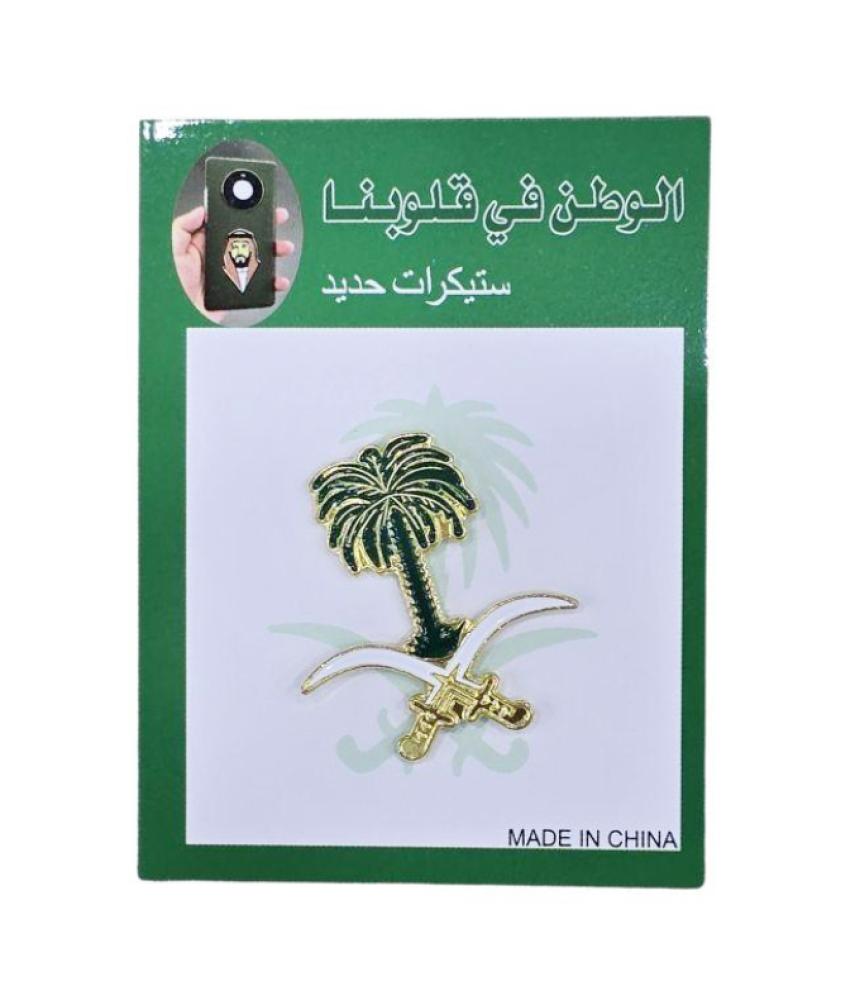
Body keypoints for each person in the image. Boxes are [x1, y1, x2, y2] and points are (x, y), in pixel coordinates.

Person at [172, 205, 294, 320]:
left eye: (244, 246)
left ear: (252, 249)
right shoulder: (221, 271)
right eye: (235, 247)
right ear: (229, 250)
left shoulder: (258, 271)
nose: (239, 251)